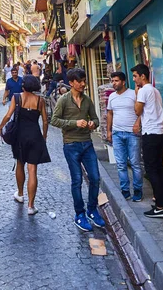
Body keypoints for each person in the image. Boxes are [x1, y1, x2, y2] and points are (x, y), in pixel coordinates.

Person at [51, 68, 105, 232]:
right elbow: (54, 120)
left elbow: (95, 119)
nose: (83, 84)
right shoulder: (63, 100)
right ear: (72, 83)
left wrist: (92, 124)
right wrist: (75, 123)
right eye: (80, 81)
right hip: (71, 145)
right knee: (77, 181)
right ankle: (79, 214)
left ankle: (92, 209)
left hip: (87, 144)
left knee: (95, 178)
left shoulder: (87, 100)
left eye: (84, 81)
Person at [0, 75, 50, 214]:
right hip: (34, 135)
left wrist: (1, 127)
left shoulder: (17, 97)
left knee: (20, 163)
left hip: (20, 135)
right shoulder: (40, 100)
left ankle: (20, 194)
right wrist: (44, 136)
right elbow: (45, 121)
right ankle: (31, 206)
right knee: (32, 170)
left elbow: (9, 115)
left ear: (23, 85)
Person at [132, 64, 163, 218]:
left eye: (135, 76)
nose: (134, 79)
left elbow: (137, 110)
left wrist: (136, 94)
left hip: (151, 134)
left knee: (152, 169)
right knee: (159, 169)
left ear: (143, 76)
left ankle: (160, 206)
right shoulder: (155, 91)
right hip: (160, 133)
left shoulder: (143, 91)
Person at [106, 71, 143, 202]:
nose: (113, 83)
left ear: (123, 82)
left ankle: (138, 190)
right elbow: (110, 114)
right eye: (112, 81)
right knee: (121, 164)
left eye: (116, 81)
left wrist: (137, 123)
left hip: (132, 134)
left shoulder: (134, 94)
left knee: (135, 163)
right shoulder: (111, 97)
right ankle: (125, 190)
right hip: (117, 133)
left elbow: (141, 111)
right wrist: (109, 131)